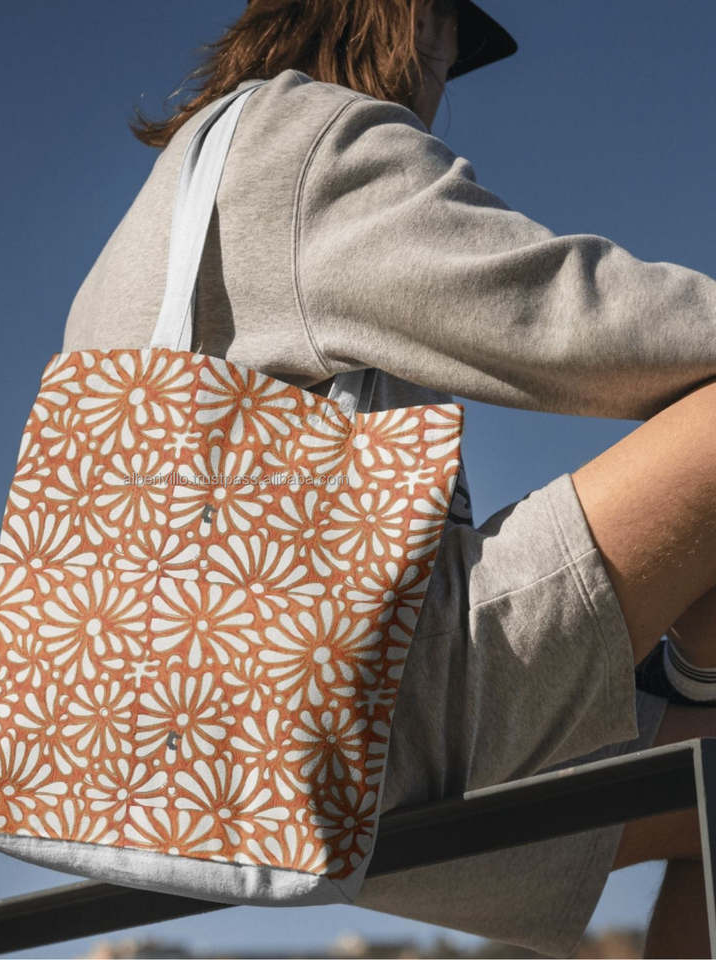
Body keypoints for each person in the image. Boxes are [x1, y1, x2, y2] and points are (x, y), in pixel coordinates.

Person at [62, 1, 716, 955]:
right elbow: (571, 318)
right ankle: (695, 673)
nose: (443, 85)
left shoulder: (160, 209)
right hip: (369, 713)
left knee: (705, 795)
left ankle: (696, 682)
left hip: (211, 762)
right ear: (407, 22)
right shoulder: (307, 143)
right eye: (451, 47)